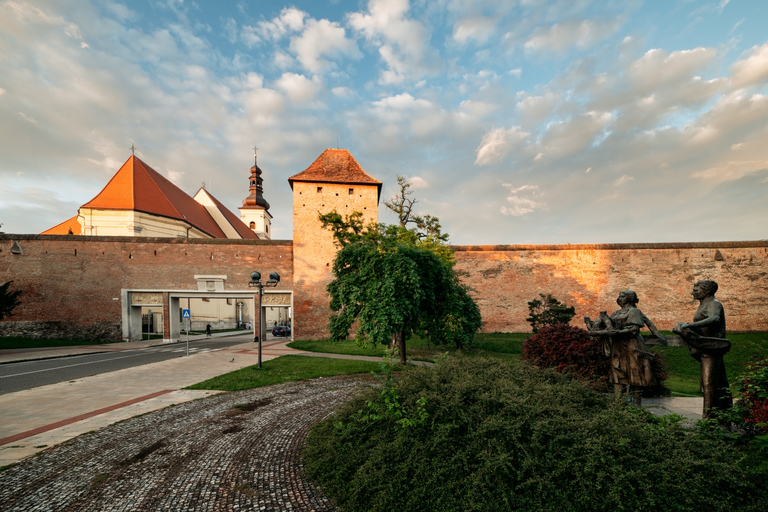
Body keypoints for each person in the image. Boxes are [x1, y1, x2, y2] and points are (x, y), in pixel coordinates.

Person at [673, 280, 732, 419]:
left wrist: (690, 327)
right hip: (705, 348)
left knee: (708, 384)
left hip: (711, 349)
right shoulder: (704, 305)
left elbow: (715, 319)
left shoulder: (714, 304)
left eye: (696, 289)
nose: (693, 292)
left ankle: (708, 419)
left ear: (706, 290)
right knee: (720, 382)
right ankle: (725, 412)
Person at [586, 290, 657, 405]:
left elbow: (634, 329)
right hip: (617, 346)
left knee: (635, 372)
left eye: (623, 296)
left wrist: (617, 333)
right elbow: (609, 326)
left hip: (632, 345)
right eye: (619, 296)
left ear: (630, 298)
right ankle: (617, 403)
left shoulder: (634, 311)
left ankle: (636, 404)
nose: (620, 298)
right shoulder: (616, 313)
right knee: (617, 371)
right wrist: (594, 325)